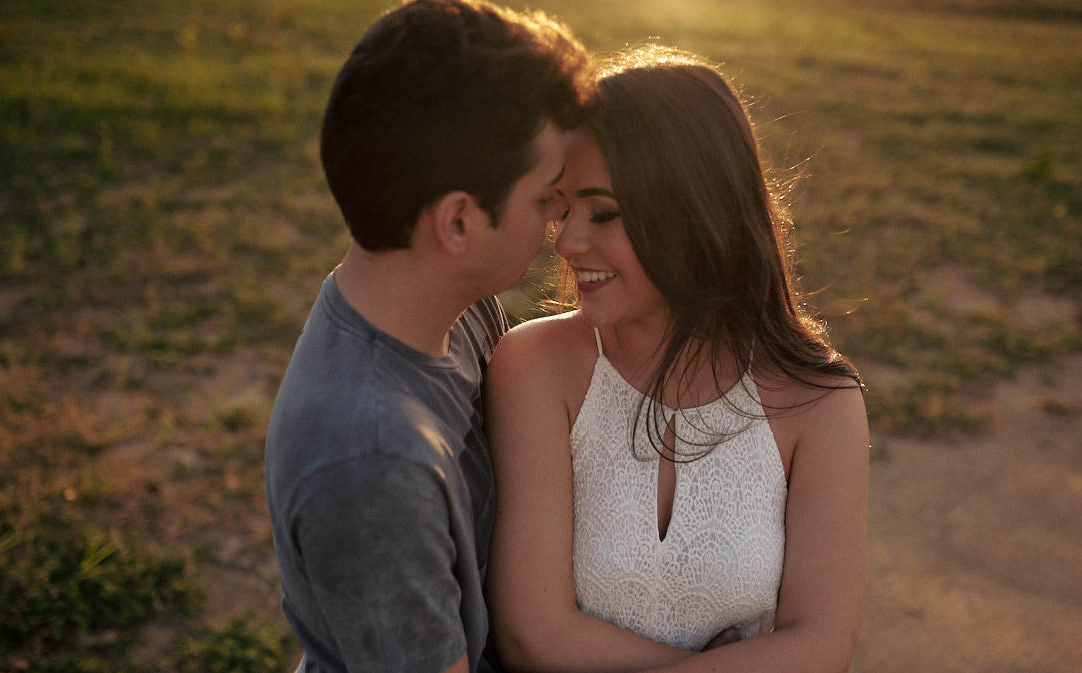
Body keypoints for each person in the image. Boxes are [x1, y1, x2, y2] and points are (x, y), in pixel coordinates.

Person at [485, 46, 869, 673]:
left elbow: (822, 644)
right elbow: (533, 637)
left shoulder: (820, 403)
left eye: (604, 212)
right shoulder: (533, 366)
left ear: (696, 210)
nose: (568, 240)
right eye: (563, 206)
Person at [263, 1, 593, 671]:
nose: (560, 216)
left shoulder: (452, 309)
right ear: (459, 224)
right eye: (543, 198)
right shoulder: (371, 462)